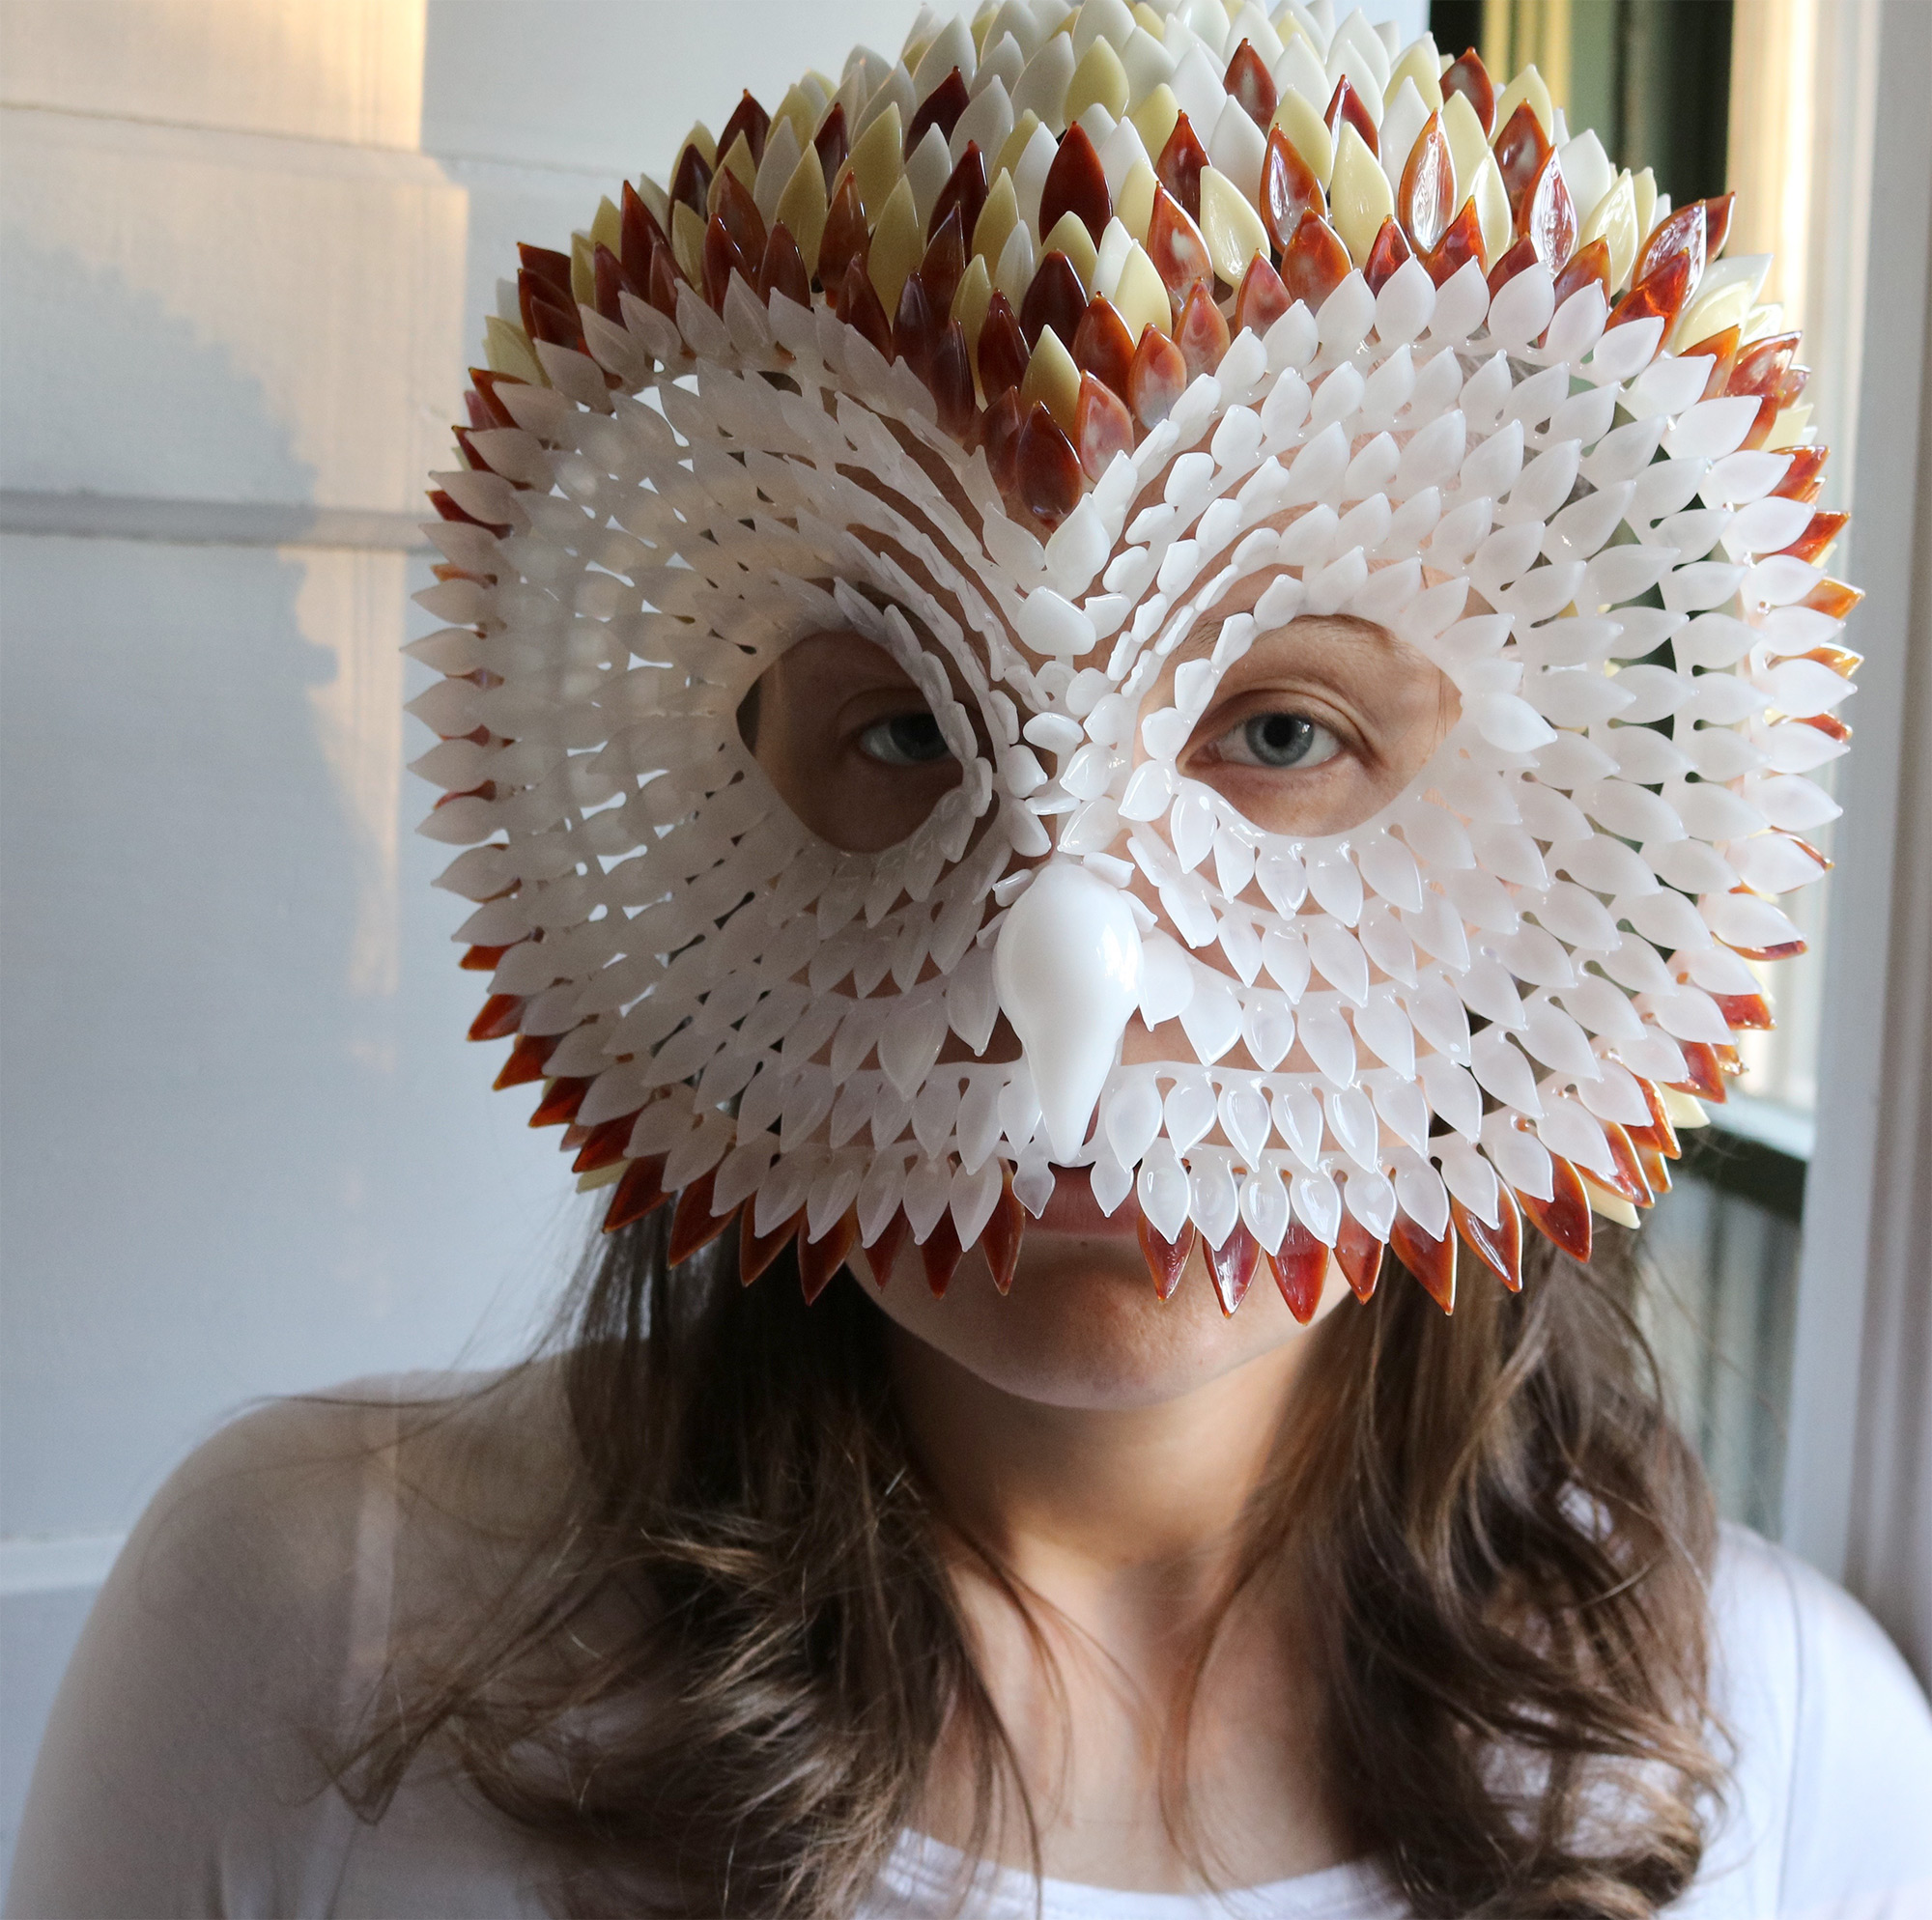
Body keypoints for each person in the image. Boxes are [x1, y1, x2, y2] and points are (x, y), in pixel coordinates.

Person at [13, 3, 1931, 1915]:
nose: (1065, 983)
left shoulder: (1791, 1754)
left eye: (1279, 734)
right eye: (910, 731)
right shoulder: (302, 1636)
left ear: (1541, 847)